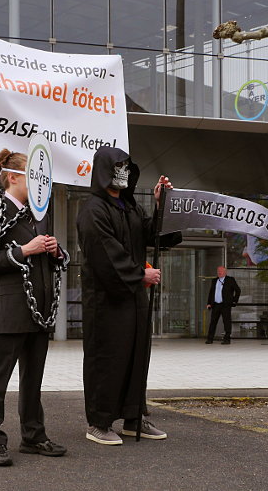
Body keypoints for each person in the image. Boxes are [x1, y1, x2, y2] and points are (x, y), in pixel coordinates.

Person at [76, 146, 180, 446]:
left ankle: (134, 417)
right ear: (104, 170)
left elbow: (150, 233)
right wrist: (139, 274)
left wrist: (162, 205)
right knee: (107, 359)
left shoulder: (130, 206)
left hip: (134, 299)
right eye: (117, 165)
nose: (123, 171)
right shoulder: (93, 209)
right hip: (106, 300)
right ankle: (99, 421)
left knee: (136, 356)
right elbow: (105, 254)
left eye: (126, 166)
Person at [0, 148, 68, 467]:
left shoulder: (39, 216)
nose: (42, 182)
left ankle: (34, 435)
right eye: (34, 175)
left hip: (39, 311)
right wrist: (26, 250)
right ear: (12, 177)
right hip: (8, 310)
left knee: (34, 378)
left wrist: (55, 252)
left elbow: (51, 261)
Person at [206, 266, 241, 345]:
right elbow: (211, 293)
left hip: (225, 305)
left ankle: (227, 339)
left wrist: (234, 301)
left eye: (221, 271)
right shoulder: (214, 280)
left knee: (226, 322)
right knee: (213, 322)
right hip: (215, 305)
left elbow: (238, 290)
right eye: (218, 271)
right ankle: (210, 339)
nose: (219, 272)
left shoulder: (230, 280)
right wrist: (209, 303)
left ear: (225, 272)